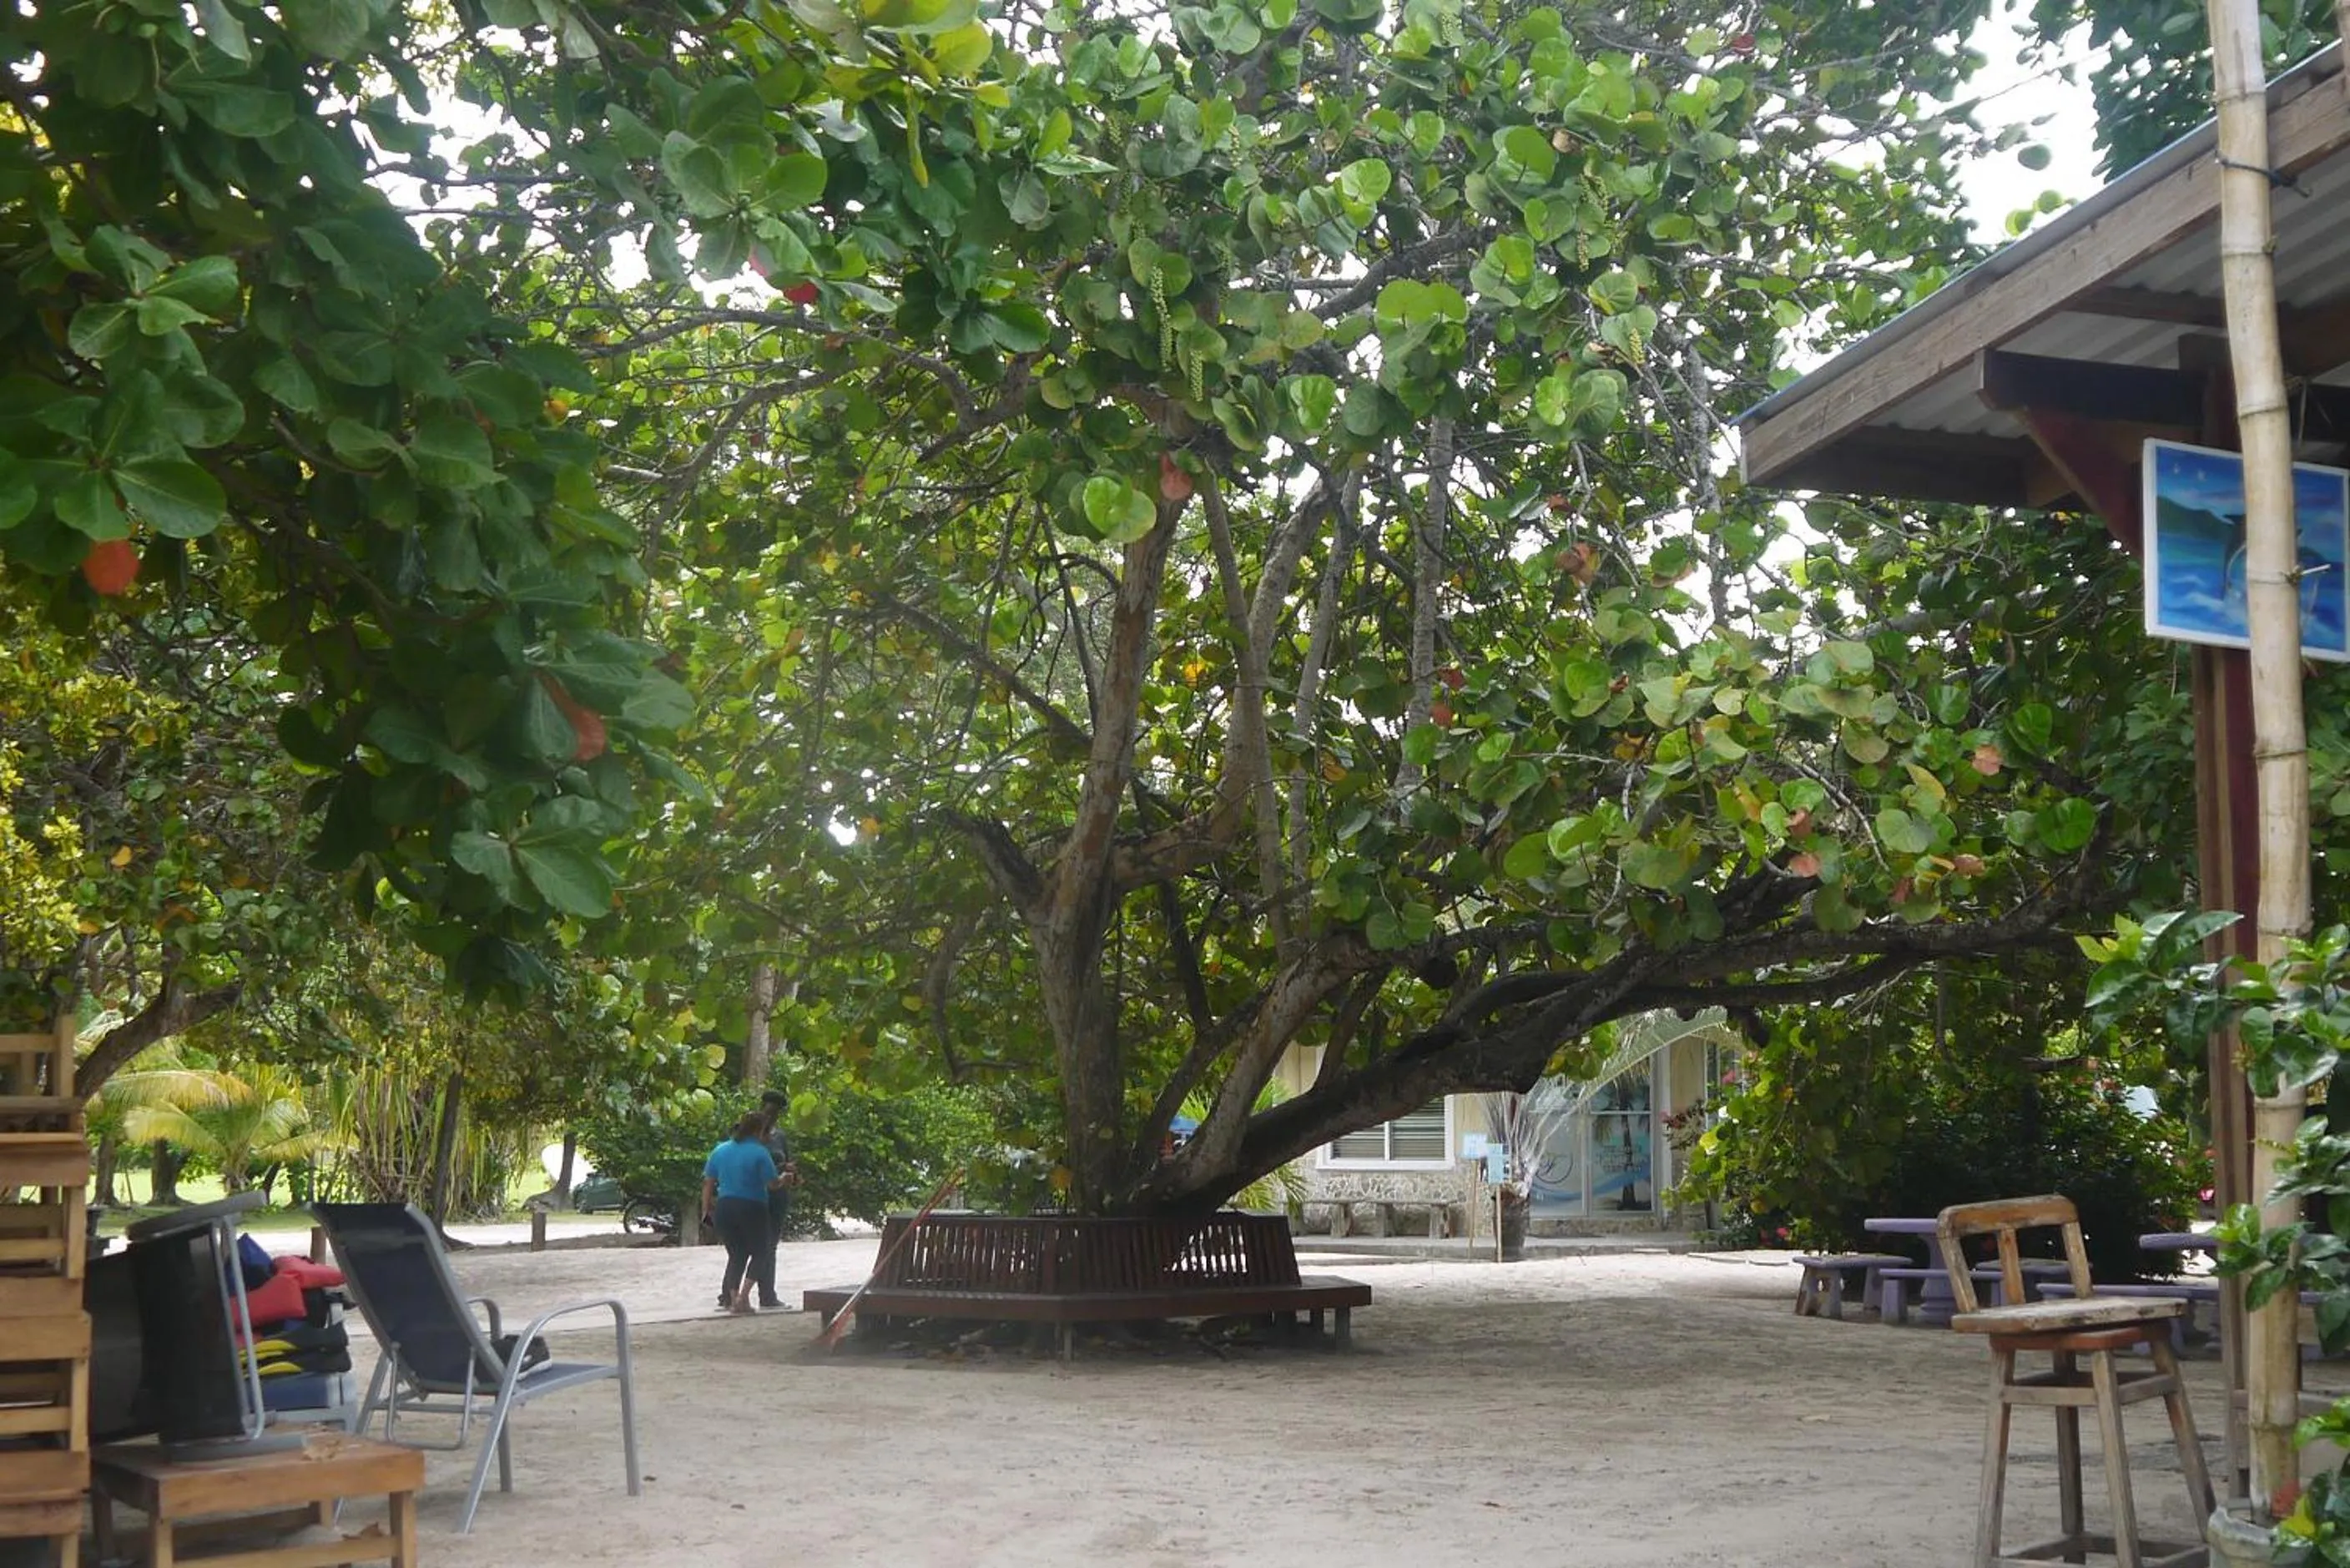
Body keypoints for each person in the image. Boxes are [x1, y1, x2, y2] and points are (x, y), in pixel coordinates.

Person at [701, 1113, 779, 1315]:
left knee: (737, 1254)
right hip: (752, 1206)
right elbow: (772, 1183)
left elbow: (708, 1182)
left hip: (725, 1206)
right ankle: (744, 1296)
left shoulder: (720, 1150)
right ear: (758, 1131)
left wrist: (706, 1208)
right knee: (762, 1252)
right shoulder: (760, 1153)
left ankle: (734, 1298)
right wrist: (785, 1179)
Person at [754, 1089, 800, 1310]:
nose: (772, 1116)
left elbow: (788, 1161)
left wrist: (792, 1173)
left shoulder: (780, 1136)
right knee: (750, 1246)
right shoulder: (749, 1135)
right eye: (769, 1111)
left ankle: (767, 1294)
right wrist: (781, 1168)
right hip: (756, 1195)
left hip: (778, 1196)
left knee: (770, 1245)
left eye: (776, 1113)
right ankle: (730, 1292)